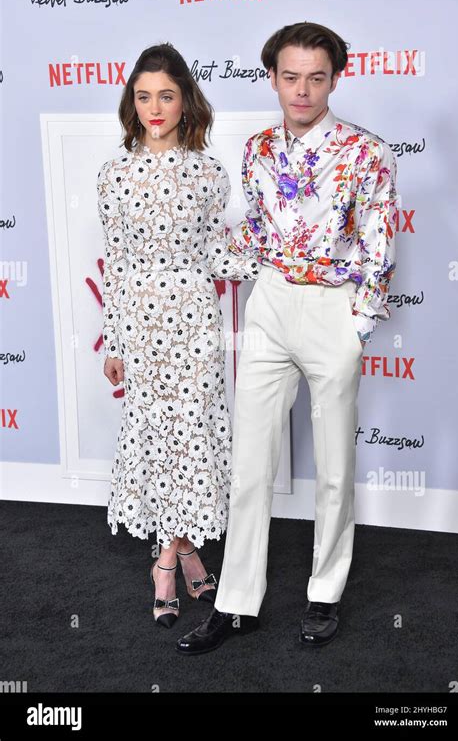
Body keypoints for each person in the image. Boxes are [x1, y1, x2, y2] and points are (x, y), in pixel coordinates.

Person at [176, 21, 398, 654]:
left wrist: (358, 324)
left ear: (335, 78)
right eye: (291, 77)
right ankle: (236, 602)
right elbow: (257, 232)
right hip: (270, 303)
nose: (302, 91)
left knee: (333, 468)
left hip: (335, 310)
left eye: (316, 78)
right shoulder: (258, 149)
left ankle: (324, 594)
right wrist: (200, 250)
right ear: (272, 77)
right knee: (250, 465)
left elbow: (380, 241)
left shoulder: (366, 152)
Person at [97, 43, 260, 629]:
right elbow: (115, 261)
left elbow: (214, 252)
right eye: (143, 96)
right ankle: (182, 549)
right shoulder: (115, 173)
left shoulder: (210, 173)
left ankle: (167, 555)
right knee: (157, 435)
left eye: (166, 95)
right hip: (141, 325)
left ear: (185, 100)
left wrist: (270, 258)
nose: (155, 108)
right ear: (131, 102)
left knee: (191, 435)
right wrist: (114, 339)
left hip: (193, 319)